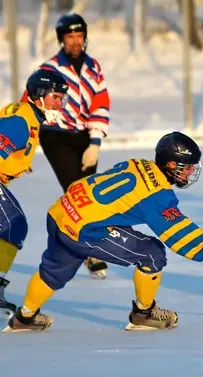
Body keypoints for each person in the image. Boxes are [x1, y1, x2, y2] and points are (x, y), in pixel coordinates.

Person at [3, 132, 203, 332]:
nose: (190, 173)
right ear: (170, 165)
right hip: (85, 230)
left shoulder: (137, 163)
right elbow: (177, 230)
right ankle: (144, 313)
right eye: (186, 168)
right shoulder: (158, 195)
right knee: (152, 253)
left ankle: (25, 317)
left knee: (54, 270)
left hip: (62, 212)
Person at [23, 13, 111, 279]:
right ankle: (86, 249)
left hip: (84, 135)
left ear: (85, 37)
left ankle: (84, 242)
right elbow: (29, 106)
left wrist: (94, 142)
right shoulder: (49, 69)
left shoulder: (93, 68)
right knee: (74, 188)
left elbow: (100, 104)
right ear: (62, 39)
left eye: (79, 35)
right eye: (69, 36)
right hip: (55, 134)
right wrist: (24, 147)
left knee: (90, 192)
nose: (75, 41)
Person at [0, 70, 69, 317]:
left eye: (63, 98)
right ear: (39, 96)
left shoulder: (28, 114)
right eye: (56, 97)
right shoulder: (22, 121)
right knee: (12, 225)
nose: (60, 103)